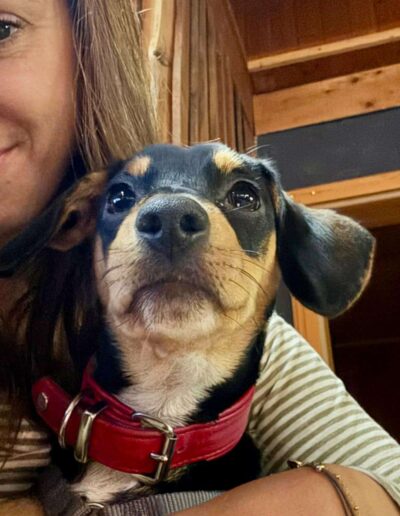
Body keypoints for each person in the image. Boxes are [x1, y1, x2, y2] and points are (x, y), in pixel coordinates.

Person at [0, 1, 399, 515]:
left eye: (2, 28)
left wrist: (324, 494)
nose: (169, 217)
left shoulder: (251, 345)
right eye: (124, 200)